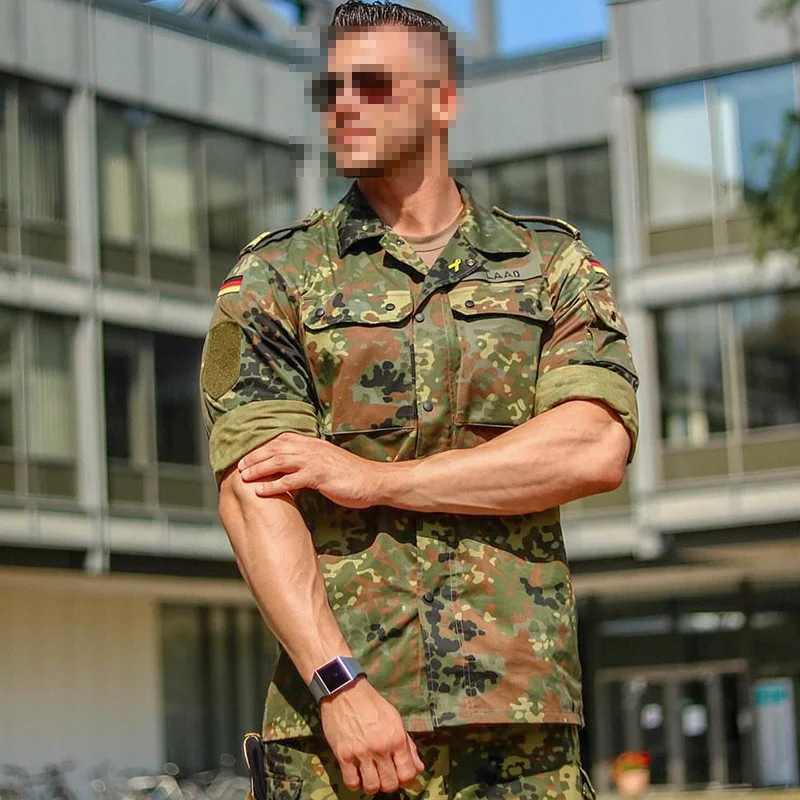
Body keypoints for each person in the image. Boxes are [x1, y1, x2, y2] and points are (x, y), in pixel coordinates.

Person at [200, 1, 639, 797]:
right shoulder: (275, 276)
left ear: (444, 100)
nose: (343, 105)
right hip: (341, 739)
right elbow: (251, 490)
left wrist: (377, 481)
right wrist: (339, 683)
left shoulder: (550, 265)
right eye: (332, 88)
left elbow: (593, 446)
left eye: (373, 84)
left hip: (521, 728)